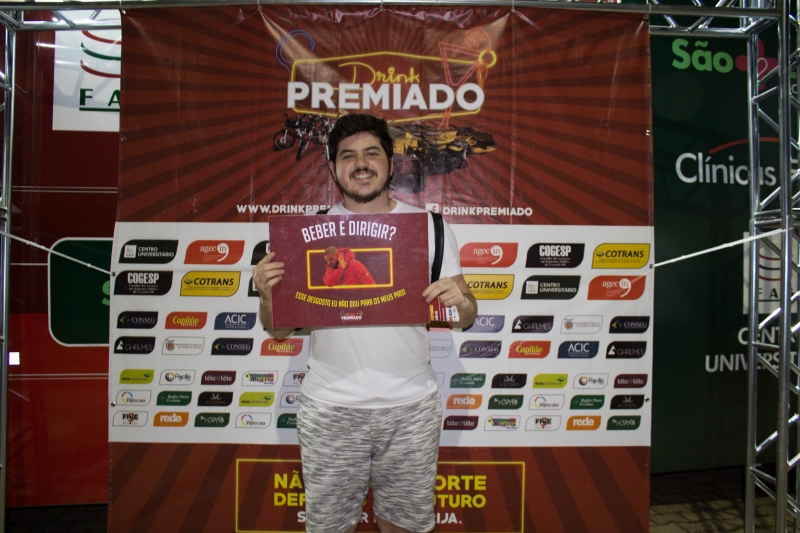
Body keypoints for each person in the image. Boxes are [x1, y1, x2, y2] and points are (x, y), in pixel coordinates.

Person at [252, 113, 477, 533]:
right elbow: (278, 330)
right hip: (331, 406)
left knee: (403, 526)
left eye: (372, 153)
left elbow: (466, 315)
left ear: (391, 164)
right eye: (348, 155)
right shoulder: (306, 233)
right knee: (329, 528)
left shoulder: (430, 227)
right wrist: (268, 296)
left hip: (410, 406)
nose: (361, 164)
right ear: (333, 167)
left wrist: (459, 301)